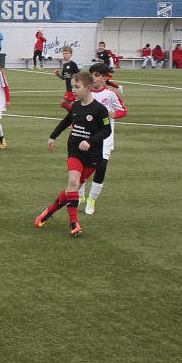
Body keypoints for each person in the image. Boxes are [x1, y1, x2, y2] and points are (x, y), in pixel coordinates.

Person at [35, 71, 111, 237]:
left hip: (92, 157)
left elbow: (107, 130)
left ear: (88, 88)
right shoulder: (76, 106)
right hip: (75, 151)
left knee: (72, 188)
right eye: (72, 87)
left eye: (77, 87)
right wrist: (53, 136)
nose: (73, 90)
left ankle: (49, 211)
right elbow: (66, 121)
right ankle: (74, 222)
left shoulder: (100, 110)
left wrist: (90, 141)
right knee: (73, 181)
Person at [80, 63, 127, 216]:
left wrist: (115, 114)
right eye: (92, 74)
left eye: (97, 75)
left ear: (105, 78)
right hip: (86, 136)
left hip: (105, 138)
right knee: (82, 167)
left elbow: (123, 110)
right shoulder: (85, 92)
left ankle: (92, 199)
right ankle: (80, 194)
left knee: (101, 167)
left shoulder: (111, 94)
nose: (93, 77)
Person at [55, 46, 79, 111]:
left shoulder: (73, 64)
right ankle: (73, 113)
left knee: (65, 103)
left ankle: (74, 113)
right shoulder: (64, 65)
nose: (65, 55)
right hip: (68, 89)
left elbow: (79, 74)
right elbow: (63, 77)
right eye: (63, 54)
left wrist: (73, 76)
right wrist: (57, 74)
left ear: (71, 54)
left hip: (74, 89)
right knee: (65, 104)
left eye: (66, 53)